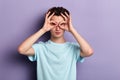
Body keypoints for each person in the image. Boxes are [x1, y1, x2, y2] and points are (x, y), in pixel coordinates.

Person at [18, 7, 93, 80]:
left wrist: (72, 30)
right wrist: (43, 29)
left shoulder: (73, 48)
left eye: (62, 24)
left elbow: (89, 52)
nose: (57, 28)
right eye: (53, 24)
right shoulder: (41, 48)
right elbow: (22, 49)